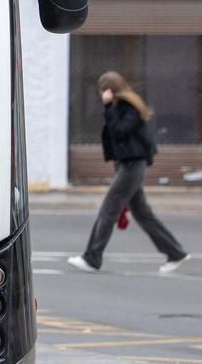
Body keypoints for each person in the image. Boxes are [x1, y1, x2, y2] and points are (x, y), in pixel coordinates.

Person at [68, 71, 189, 275]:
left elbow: (119, 132)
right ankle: (175, 253)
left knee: (108, 210)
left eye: (103, 91)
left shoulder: (128, 107)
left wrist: (108, 107)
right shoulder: (123, 107)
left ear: (110, 90)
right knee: (143, 214)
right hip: (128, 165)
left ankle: (92, 258)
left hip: (133, 166)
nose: (101, 95)